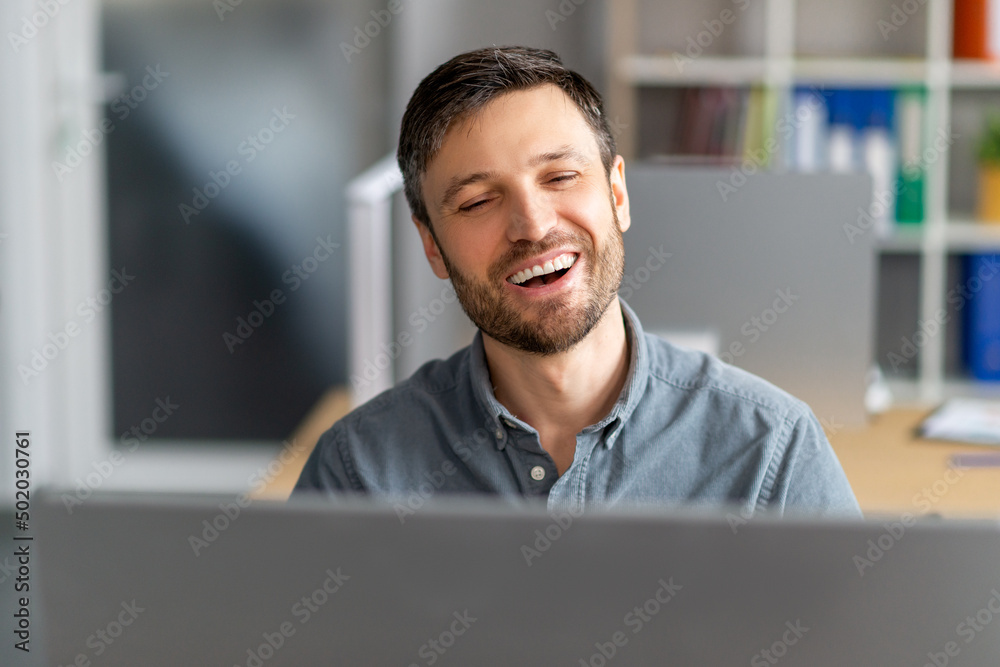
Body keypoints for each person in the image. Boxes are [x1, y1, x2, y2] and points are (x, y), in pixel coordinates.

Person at [294, 46, 860, 516]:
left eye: (561, 176)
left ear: (617, 195)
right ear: (430, 245)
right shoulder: (356, 475)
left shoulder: (772, 453)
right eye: (478, 201)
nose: (533, 225)